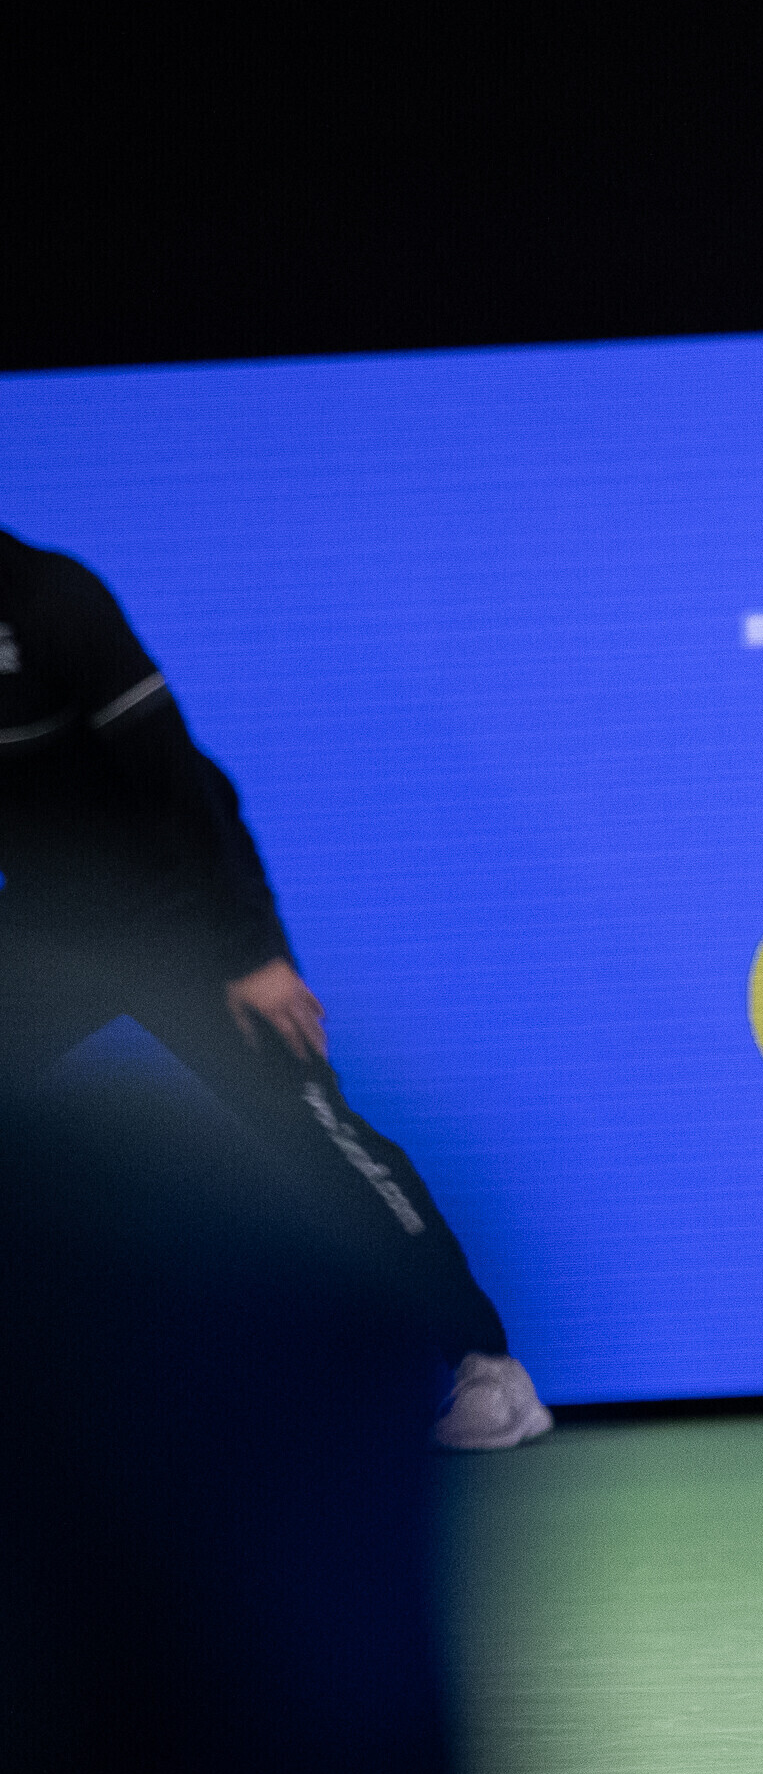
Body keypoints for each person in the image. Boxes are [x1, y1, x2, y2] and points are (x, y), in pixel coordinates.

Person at [0, 526, 549, 1450]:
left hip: (182, 905)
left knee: (308, 1130)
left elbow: (173, 771)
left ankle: (487, 1366)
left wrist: (250, 953)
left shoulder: (52, 596)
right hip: (45, 915)